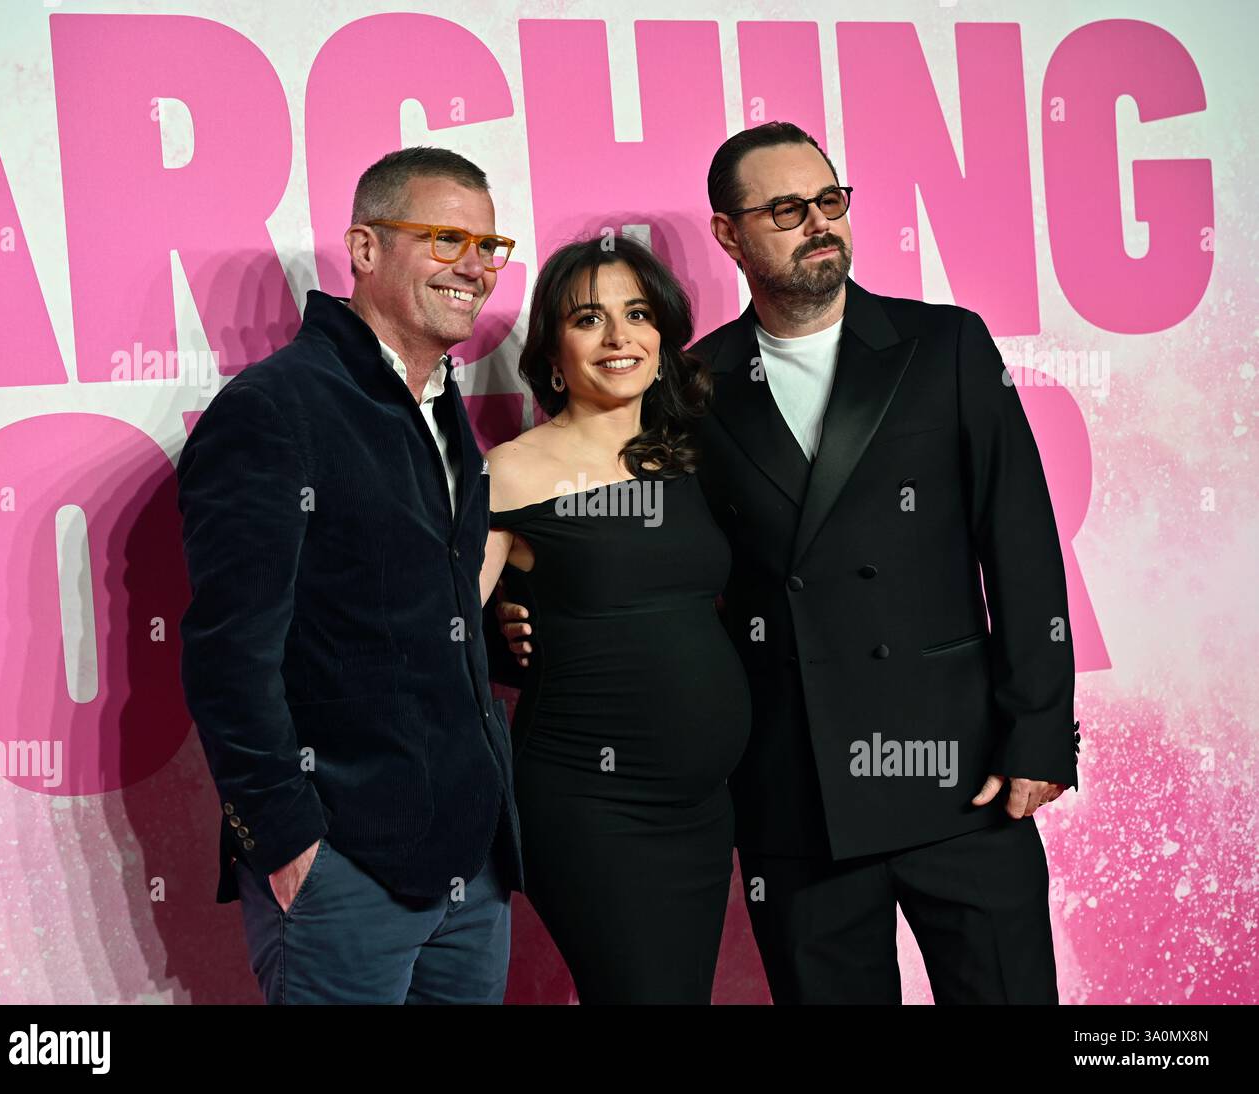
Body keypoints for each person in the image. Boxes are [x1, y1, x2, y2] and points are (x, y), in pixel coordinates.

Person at [493, 122, 1081, 1004]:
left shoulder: (947, 345)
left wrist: (1038, 731)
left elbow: (1024, 543)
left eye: (830, 201)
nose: (819, 223)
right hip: (793, 792)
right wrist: (519, 626)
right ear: (729, 235)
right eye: (785, 209)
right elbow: (632, 564)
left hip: (963, 776)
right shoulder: (690, 387)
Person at [177, 146, 522, 1004]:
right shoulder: (276, 408)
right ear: (365, 249)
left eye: (489, 246)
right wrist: (288, 843)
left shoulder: (445, 409)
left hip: (472, 875)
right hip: (342, 872)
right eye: (446, 238)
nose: (474, 266)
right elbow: (230, 653)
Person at [480, 235, 751, 1004]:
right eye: (589, 319)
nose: (619, 338)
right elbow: (439, 631)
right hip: (590, 806)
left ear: (662, 338)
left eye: (636, 315)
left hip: (703, 809)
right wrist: (506, 625)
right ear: (554, 351)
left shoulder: (692, 458)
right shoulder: (511, 469)